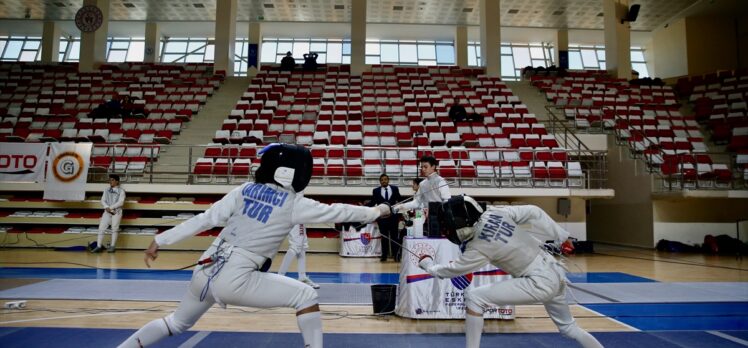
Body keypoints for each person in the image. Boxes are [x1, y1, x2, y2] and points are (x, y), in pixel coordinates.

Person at [118, 144, 391, 348]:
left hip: (205, 269)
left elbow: (206, 218)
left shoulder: (243, 190)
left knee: (175, 323)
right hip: (235, 278)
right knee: (306, 296)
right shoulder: (294, 204)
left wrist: (160, 240)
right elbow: (339, 212)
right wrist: (377, 211)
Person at [417, 196, 604, 348]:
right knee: (569, 328)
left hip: (538, 282)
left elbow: (450, 270)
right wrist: (562, 235)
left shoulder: (479, 246)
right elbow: (533, 211)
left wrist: (426, 264)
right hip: (554, 271)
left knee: (474, 298)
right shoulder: (494, 213)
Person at [394, 156, 451, 237]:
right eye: (422, 167)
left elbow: (447, 201)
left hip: (441, 219)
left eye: (425, 167)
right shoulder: (422, 184)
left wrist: (440, 213)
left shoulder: (441, 181)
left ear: (433, 167)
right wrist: (402, 206)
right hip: (428, 219)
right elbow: (417, 202)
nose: (423, 169)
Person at [277, 223, 319, 289]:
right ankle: (279, 277)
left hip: (300, 218)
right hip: (295, 216)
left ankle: (302, 277)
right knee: (296, 246)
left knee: (302, 246)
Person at [371, 174, 402, 262]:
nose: (384, 181)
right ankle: (384, 255)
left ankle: (396, 256)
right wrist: (364, 208)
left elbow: (400, 200)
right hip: (382, 218)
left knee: (394, 237)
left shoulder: (395, 189)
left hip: (393, 217)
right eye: (382, 180)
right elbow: (373, 202)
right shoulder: (375, 191)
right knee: (384, 237)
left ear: (388, 180)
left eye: (385, 179)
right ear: (380, 181)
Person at [91, 174, 125, 253]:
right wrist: (106, 207)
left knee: (114, 228)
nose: (110, 181)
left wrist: (111, 207)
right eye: (110, 180)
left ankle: (112, 246)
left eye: (112, 180)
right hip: (107, 211)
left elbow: (121, 202)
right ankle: (99, 246)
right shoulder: (106, 190)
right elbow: (103, 200)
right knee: (101, 228)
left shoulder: (121, 191)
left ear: (117, 182)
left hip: (117, 212)